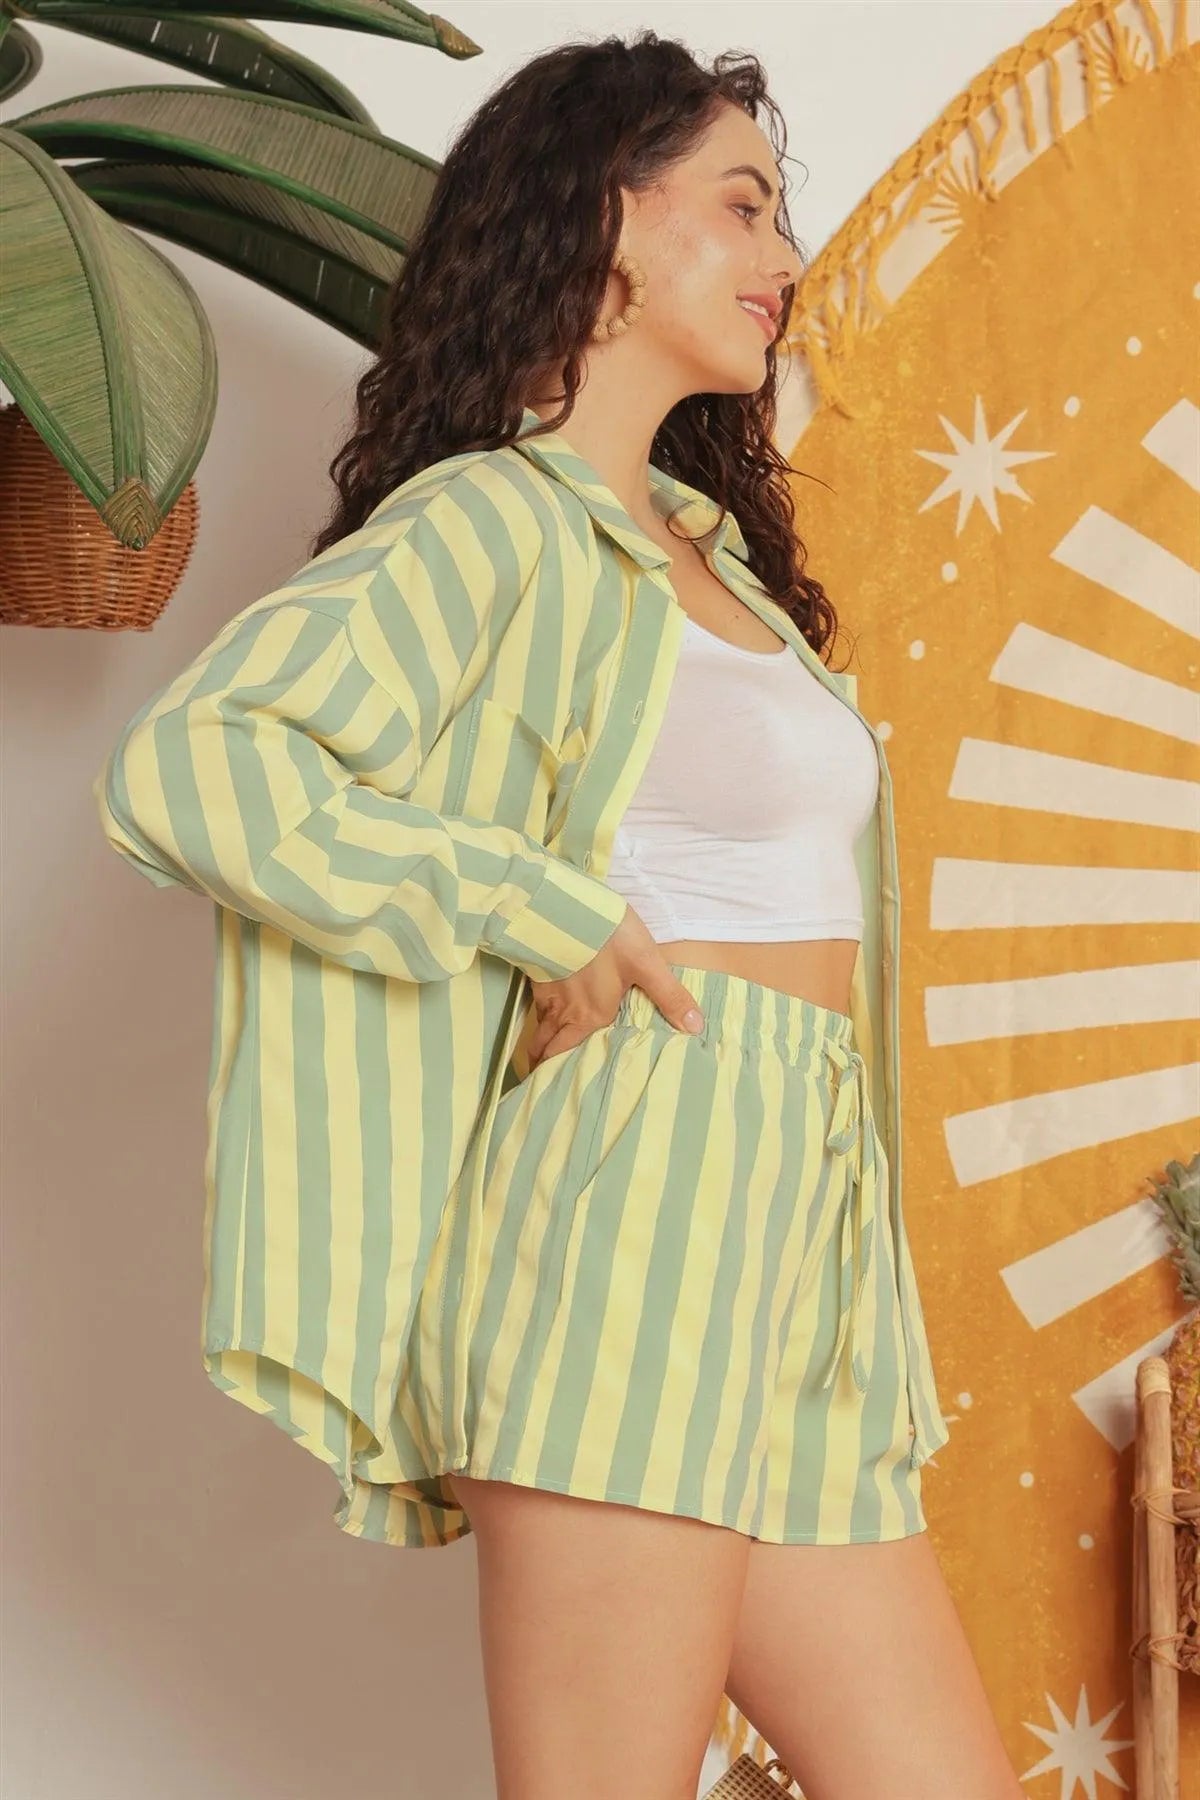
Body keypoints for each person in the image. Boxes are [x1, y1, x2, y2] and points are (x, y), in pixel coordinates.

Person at [94, 29, 1022, 1800]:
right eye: (740, 206)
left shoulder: (708, 551)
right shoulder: (490, 525)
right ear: (604, 217)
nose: (784, 255)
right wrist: (526, 901)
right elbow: (196, 765)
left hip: (808, 1220)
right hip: (636, 1192)